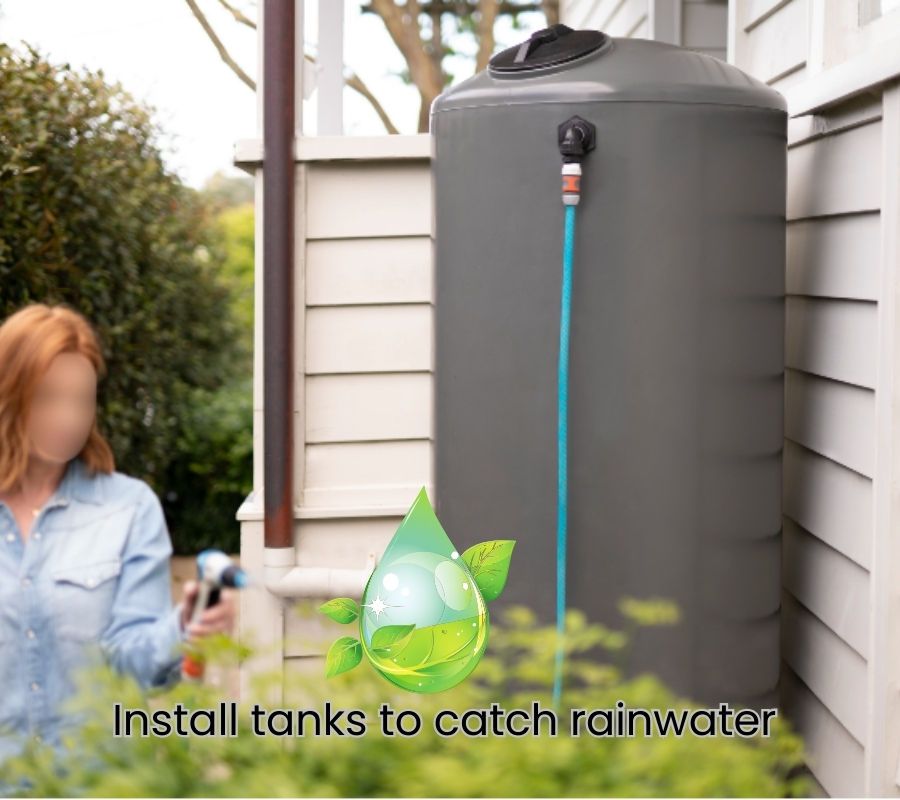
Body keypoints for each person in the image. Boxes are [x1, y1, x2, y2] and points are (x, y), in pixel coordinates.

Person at [0, 302, 236, 772]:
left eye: (82, 399)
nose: (69, 417)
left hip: (99, 781)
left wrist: (183, 627)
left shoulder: (127, 509)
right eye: (49, 397)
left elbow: (134, 660)